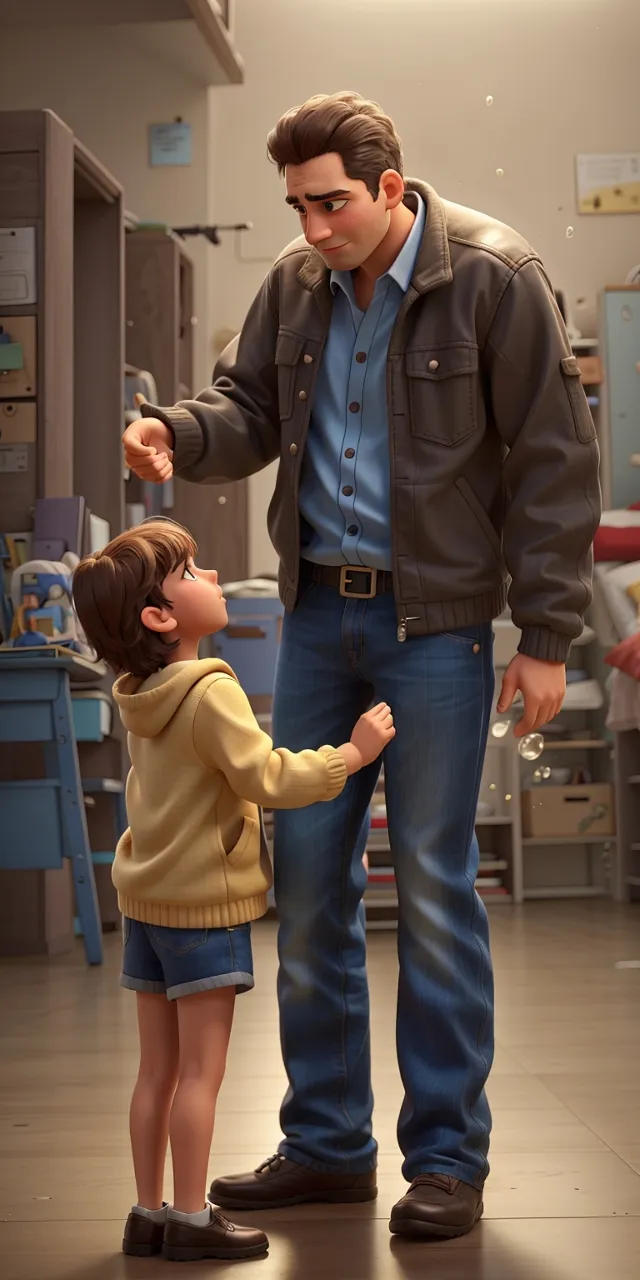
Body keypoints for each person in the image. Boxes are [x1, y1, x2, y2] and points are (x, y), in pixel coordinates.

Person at [122, 93, 601, 1242]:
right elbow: (247, 409)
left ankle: (443, 1157)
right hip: (313, 621)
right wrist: (180, 433)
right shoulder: (294, 282)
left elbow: (552, 461)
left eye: (331, 201)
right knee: (307, 886)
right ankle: (327, 1142)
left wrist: (544, 635)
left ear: (392, 187)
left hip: (433, 625)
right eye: (296, 203)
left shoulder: (494, 275)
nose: (313, 225)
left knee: (432, 889)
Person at [72, 517, 394, 1262]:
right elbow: (265, 777)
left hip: (146, 904)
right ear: (160, 616)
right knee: (200, 1074)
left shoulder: (141, 693)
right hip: (200, 911)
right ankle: (192, 1217)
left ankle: (146, 1211)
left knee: (154, 1071)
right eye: (190, 574)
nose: (210, 578)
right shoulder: (210, 690)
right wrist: (352, 752)